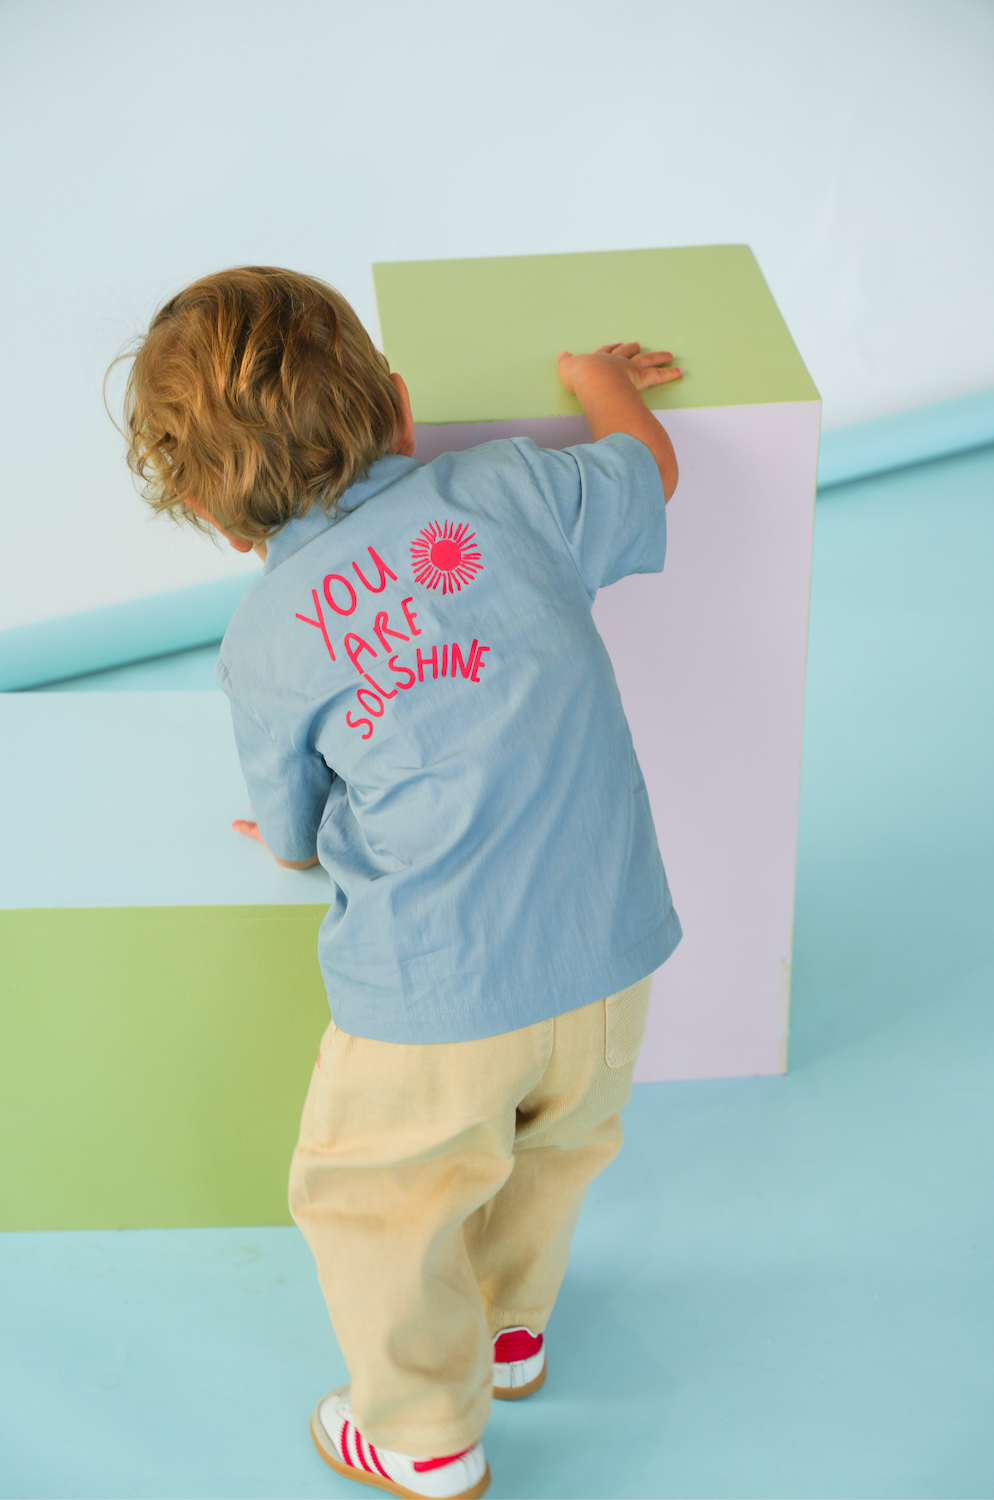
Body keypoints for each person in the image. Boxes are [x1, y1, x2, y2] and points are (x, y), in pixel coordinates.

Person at [119, 266, 684, 1500]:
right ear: (402, 405)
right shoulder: (513, 489)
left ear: (212, 513)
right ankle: (513, 1329)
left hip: (433, 995)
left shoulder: (267, 637)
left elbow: (292, 830)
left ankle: (422, 1430)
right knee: (554, 1151)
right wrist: (598, 382)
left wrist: (288, 839)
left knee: (378, 1200)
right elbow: (650, 471)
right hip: (608, 950)